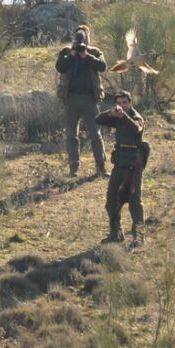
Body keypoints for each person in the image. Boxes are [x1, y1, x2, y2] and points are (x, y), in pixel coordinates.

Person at [95, 90, 149, 249]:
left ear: (130, 103)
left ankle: (139, 237)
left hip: (133, 165)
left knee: (135, 202)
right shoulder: (117, 116)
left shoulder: (136, 117)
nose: (122, 106)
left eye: (125, 102)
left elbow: (136, 129)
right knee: (111, 199)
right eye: (119, 103)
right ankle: (116, 234)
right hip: (119, 163)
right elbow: (98, 119)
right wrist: (112, 113)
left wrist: (123, 116)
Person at [55, 24, 109, 178]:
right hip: (71, 98)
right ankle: (74, 168)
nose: (81, 38)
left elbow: (103, 66)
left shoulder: (95, 52)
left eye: (84, 35)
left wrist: (87, 56)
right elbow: (60, 67)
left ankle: (101, 167)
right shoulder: (66, 51)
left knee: (95, 134)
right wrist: (72, 53)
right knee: (72, 134)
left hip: (90, 99)